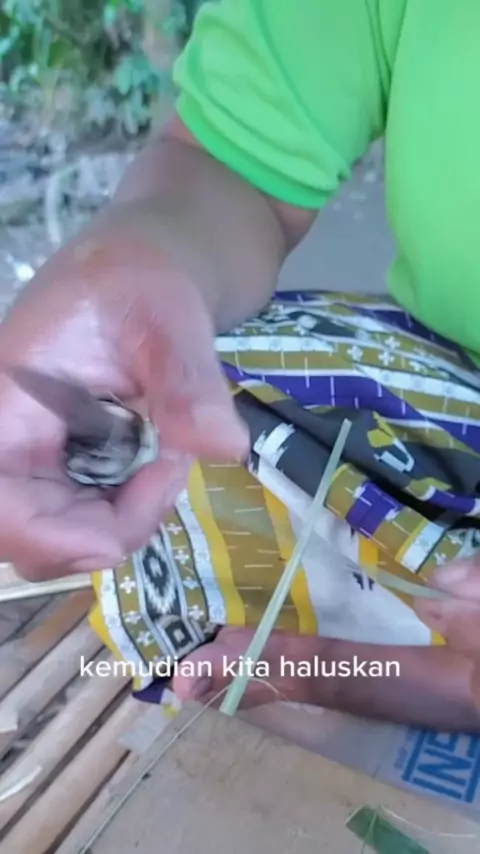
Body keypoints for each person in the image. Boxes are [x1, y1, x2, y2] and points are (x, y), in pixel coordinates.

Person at [1, 0, 480, 732]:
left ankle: (398, 668)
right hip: (452, 410)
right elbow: (232, 166)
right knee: (199, 392)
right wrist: (131, 266)